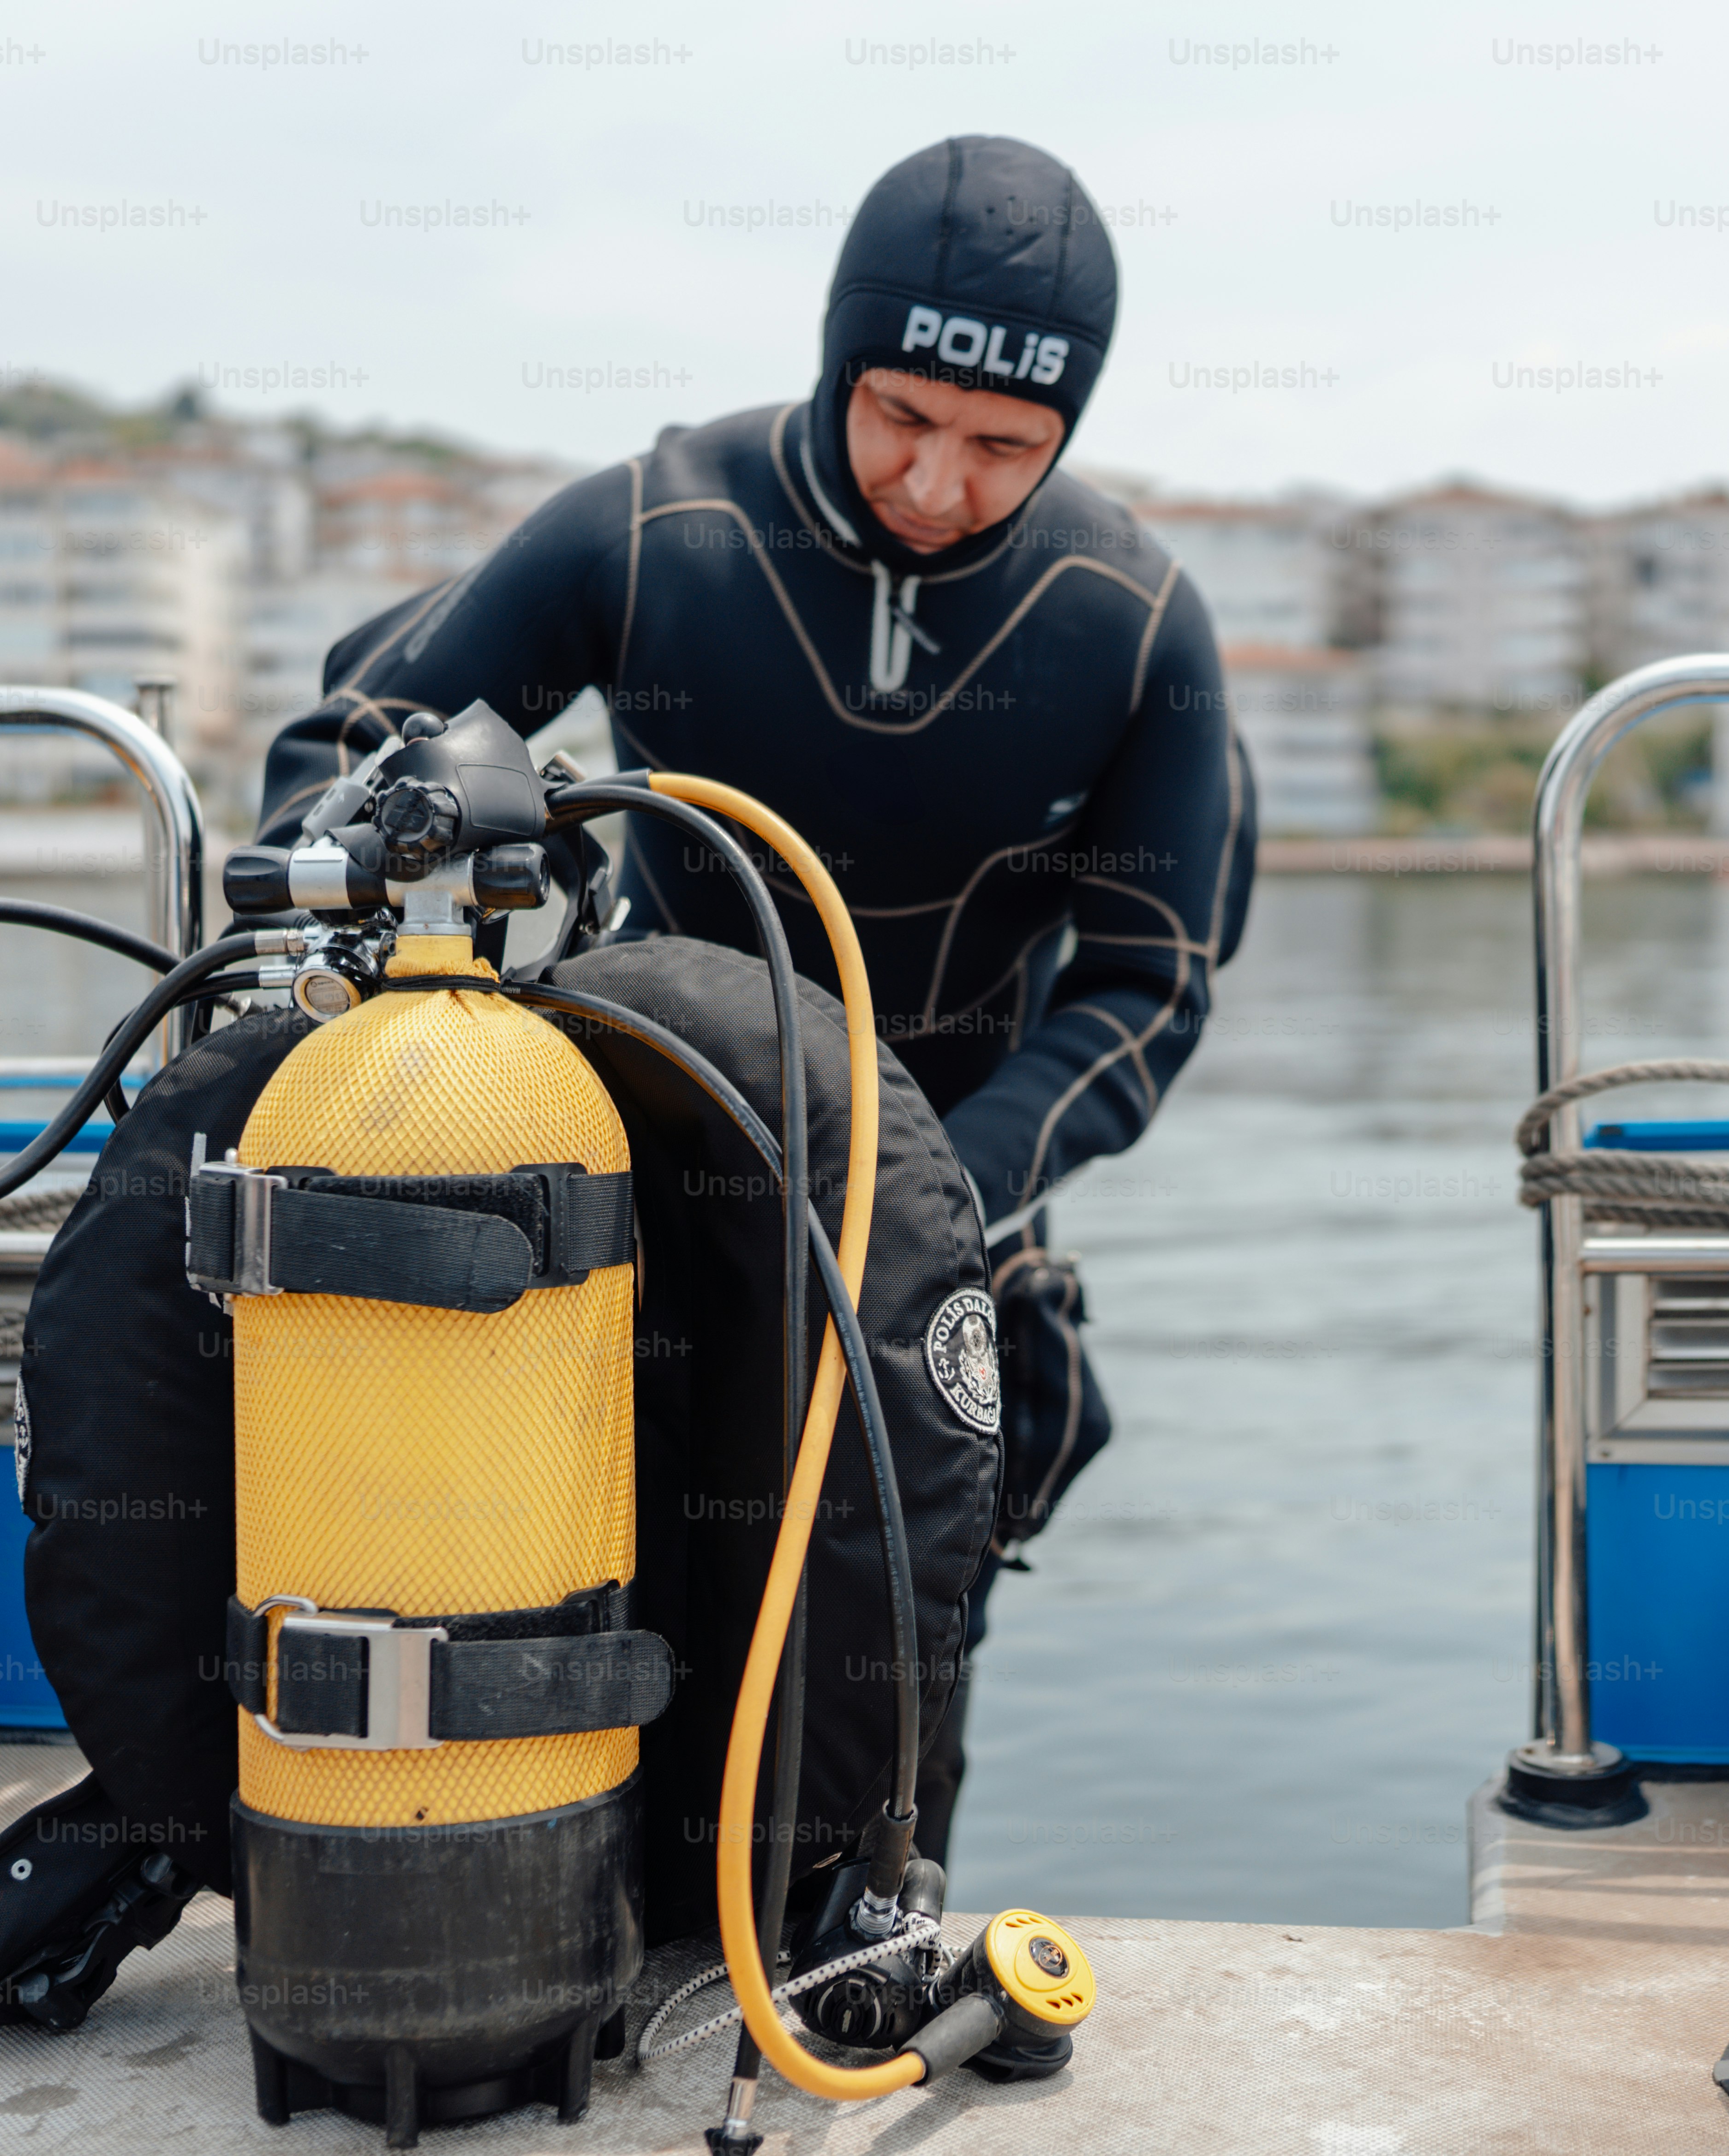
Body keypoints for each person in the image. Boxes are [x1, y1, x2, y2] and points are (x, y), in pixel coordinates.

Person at [254, 135, 1256, 1857]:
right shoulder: (655, 530)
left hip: (942, 1223)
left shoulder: (1133, 620)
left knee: (888, 1668)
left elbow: (1155, 981)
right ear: (834, 355)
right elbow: (336, 759)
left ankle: (859, 1939)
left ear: (1068, 431)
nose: (939, 481)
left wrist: (937, 1181)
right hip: (659, 1184)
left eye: (1006, 446)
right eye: (900, 415)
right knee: (616, 1607)